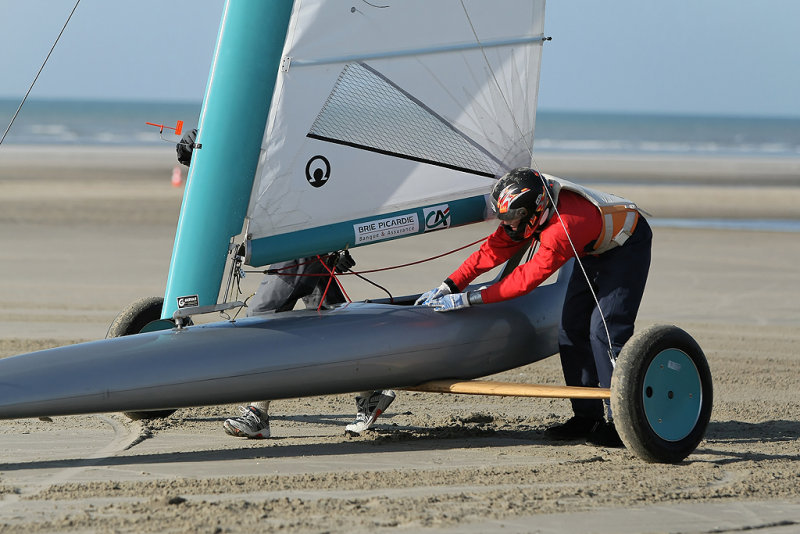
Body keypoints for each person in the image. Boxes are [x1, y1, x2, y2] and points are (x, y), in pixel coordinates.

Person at [176, 129, 396, 439]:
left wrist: (342, 242)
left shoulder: (276, 134)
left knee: (260, 323)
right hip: (309, 241)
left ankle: (257, 412)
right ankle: (370, 391)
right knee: (332, 327)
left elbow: (310, 177)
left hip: (300, 243)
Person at [417, 167, 651, 447]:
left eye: (514, 218)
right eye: (504, 218)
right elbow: (492, 251)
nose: (510, 224)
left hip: (626, 247)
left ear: (535, 210)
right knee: (570, 330)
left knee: (604, 333)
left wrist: (468, 299)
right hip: (591, 247)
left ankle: (620, 421)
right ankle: (587, 417)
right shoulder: (527, 214)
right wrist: (451, 285)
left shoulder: (562, 229)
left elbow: (524, 281)